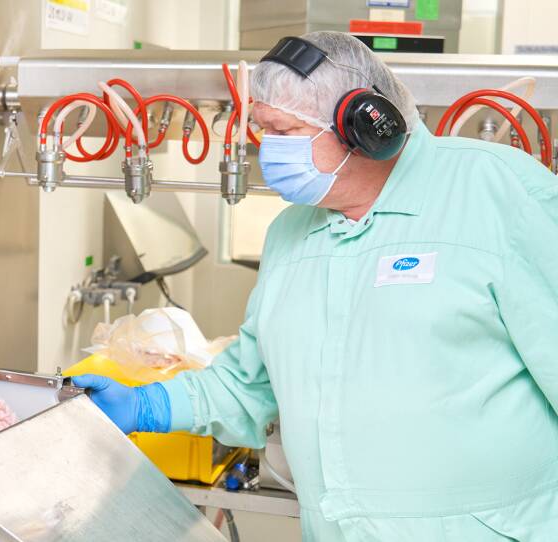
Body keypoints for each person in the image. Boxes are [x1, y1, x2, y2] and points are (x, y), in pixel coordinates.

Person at [72, 31, 558, 541]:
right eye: (262, 131)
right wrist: (146, 405)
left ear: (365, 126)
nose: (269, 150)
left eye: (282, 130)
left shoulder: (498, 194)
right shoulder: (292, 232)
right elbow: (248, 385)